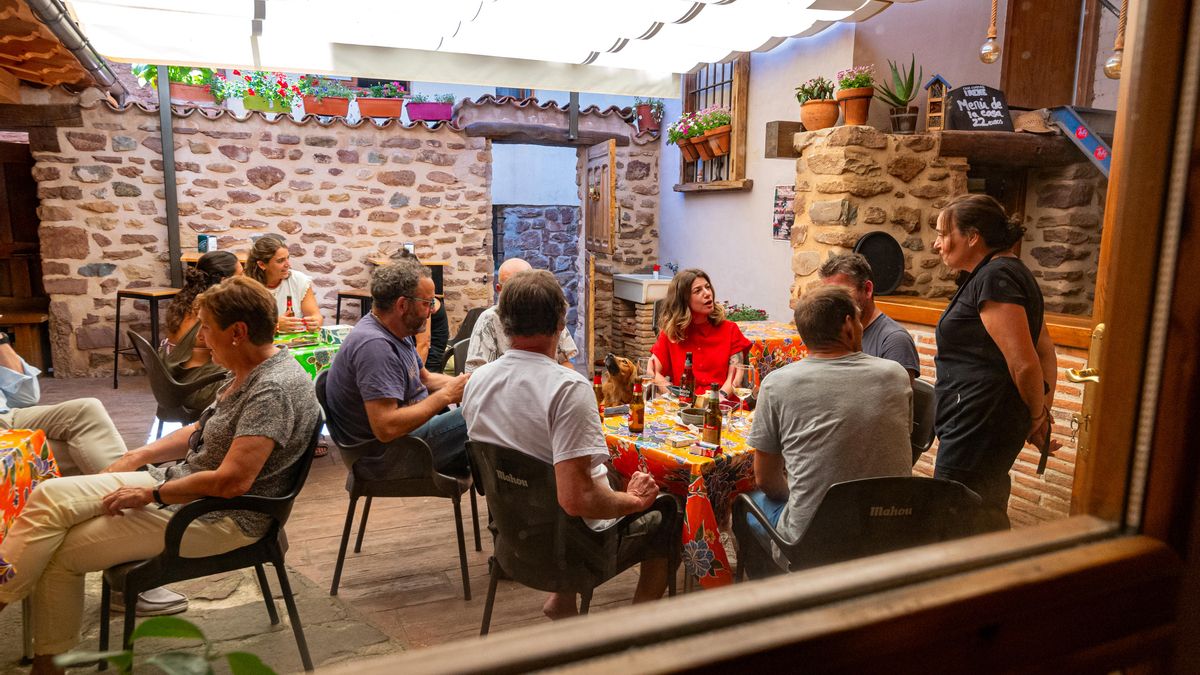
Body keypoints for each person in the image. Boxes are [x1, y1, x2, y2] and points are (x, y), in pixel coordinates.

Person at [0, 276, 321, 670]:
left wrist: (152, 495)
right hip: (184, 490)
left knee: (60, 548)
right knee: (49, 499)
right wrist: (139, 455)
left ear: (238, 332)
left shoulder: (272, 389)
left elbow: (232, 482)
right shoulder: (249, 368)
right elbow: (203, 428)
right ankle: (44, 656)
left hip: (221, 516)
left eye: (206, 327)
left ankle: (45, 662)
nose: (201, 338)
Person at [462, 269, 672, 618]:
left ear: (504, 323)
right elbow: (578, 499)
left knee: (601, 475)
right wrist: (634, 502)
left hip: (513, 533)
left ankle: (563, 600)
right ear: (561, 323)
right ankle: (637, 630)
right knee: (667, 510)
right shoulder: (567, 388)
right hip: (569, 548)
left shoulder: (477, 381)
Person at [740, 285, 912, 576]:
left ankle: (774, 602)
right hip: (891, 530)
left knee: (745, 506)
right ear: (848, 325)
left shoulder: (778, 384)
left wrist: (801, 494)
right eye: (858, 321)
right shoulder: (895, 374)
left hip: (814, 544)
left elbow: (766, 480)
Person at [931, 194, 1059, 531]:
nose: (937, 244)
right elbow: (1044, 349)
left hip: (977, 425)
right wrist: (1040, 410)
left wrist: (1037, 416)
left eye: (944, 234)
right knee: (982, 512)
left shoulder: (995, 277)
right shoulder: (1001, 272)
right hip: (982, 423)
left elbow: (1027, 363)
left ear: (972, 237)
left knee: (956, 518)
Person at [323, 258, 471, 475]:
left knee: (488, 405)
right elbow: (386, 427)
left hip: (406, 441)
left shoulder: (396, 331)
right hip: (386, 458)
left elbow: (425, 379)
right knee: (485, 412)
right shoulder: (375, 346)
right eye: (427, 303)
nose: (431, 310)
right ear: (402, 305)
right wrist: (447, 396)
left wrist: (478, 383)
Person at [648, 268, 751, 397]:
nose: (707, 293)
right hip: (683, 406)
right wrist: (673, 393)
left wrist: (718, 398)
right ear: (683, 300)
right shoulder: (671, 334)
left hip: (723, 406)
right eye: (698, 291)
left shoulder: (730, 330)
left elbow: (735, 375)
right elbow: (651, 371)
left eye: (708, 287)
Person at [464, 257, 577, 373]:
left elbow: (566, 360)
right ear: (499, 290)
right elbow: (475, 372)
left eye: (526, 287)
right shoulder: (489, 319)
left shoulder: (547, 312)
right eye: (511, 289)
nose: (520, 295)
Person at [818, 252, 920, 379]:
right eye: (828, 295)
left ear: (867, 290)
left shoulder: (895, 340)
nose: (834, 302)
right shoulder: (834, 332)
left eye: (841, 293)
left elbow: (898, 397)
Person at [161, 250, 241, 412]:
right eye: (241, 275)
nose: (245, 280)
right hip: (197, 389)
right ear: (225, 280)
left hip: (174, 384)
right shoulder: (211, 308)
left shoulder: (184, 300)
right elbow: (236, 345)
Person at [245, 235, 321, 334]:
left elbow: (315, 316)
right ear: (262, 265)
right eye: (280, 261)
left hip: (296, 342)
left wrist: (314, 322)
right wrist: (275, 326)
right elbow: (245, 328)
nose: (288, 265)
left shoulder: (299, 280)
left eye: (287, 258)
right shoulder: (245, 287)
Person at [390, 249, 449, 372]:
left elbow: (423, 345)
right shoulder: (409, 299)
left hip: (428, 366)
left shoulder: (423, 302)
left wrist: (413, 380)